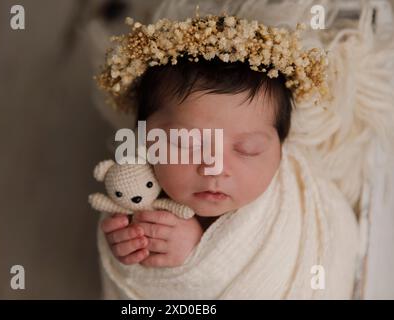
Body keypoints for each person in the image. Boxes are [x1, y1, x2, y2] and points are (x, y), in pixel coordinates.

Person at [93, 13, 360, 299]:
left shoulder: (298, 210)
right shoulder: (135, 197)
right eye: (187, 143)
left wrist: (198, 255)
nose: (214, 168)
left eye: (248, 149)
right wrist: (131, 248)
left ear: (282, 147)